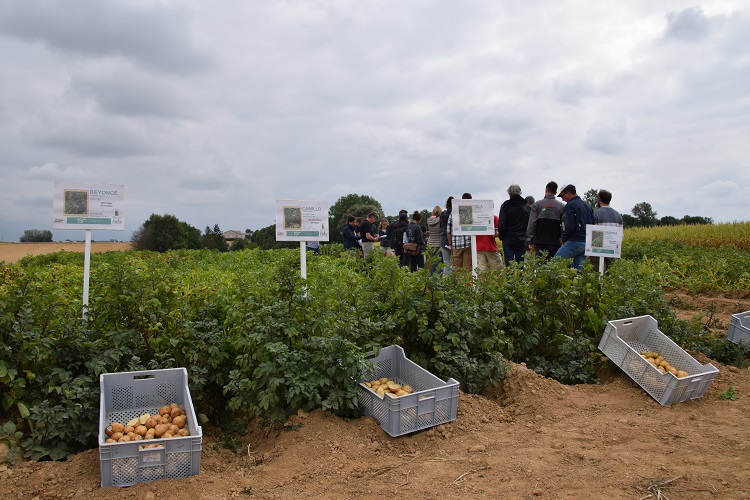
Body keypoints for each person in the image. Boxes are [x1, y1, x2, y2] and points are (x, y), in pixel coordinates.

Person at [554, 184, 595, 270]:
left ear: (568, 193)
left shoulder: (570, 205)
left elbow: (570, 226)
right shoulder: (587, 206)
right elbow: (593, 224)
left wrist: (563, 238)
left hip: (575, 240)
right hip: (586, 243)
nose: (562, 199)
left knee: (555, 264)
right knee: (578, 271)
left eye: (562, 196)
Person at [526, 181, 565, 259]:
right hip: (555, 242)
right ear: (555, 192)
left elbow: (532, 224)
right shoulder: (561, 206)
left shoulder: (537, 205)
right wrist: (562, 238)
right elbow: (564, 225)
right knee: (554, 264)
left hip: (540, 242)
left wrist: (530, 240)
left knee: (540, 264)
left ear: (546, 189)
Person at [497, 184, 531, 266]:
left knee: (509, 265)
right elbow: (530, 224)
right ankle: (521, 274)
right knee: (521, 264)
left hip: (509, 239)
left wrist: (502, 237)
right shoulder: (526, 207)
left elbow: (501, 225)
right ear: (520, 192)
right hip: (522, 239)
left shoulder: (505, 205)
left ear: (509, 193)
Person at [591, 189, 623, 272]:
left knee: (597, 272)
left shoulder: (595, 213)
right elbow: (621, 235)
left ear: (599, 199)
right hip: (613, 248)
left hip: (598, 249)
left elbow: (593, 233)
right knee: (611, 273)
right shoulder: (618, 215)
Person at [447, 193, 473, 271]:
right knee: (467, 268)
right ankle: (467, 279)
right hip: (468, 243)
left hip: (456, 244)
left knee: (458, 268)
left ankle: (458, 279)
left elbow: (448, 231)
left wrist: (450, 244)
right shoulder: (471, 211)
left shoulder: (453, 213)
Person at [439, 196, 453, 275]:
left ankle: (445, 277)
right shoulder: (454, 214)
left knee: (446, 262)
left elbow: (441, 226)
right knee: (454, 261)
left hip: (444, 239)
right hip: (453, 239)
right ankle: (453, 278)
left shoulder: (442, 214)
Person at [426, 206, 443, 274]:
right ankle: (439, 278)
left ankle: (431, 277)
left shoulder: (429, 220)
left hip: (430, 243)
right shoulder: (440, 220)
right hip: (438, 243)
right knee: (439, 264)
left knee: (432, 263)